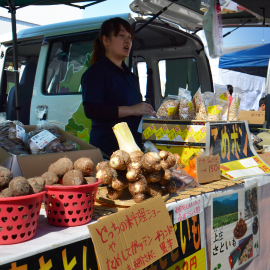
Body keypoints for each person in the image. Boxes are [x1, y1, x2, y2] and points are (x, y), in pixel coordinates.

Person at [81, 17, 155, 157]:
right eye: (121, 36)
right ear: (106, 40)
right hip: (108, 149)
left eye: (130, 38)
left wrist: (146, 113)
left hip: (133, 147)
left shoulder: (130, 76)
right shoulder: (95, 73)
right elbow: (92, 110)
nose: (127, 41)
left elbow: (134, 108)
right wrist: (132, 110)